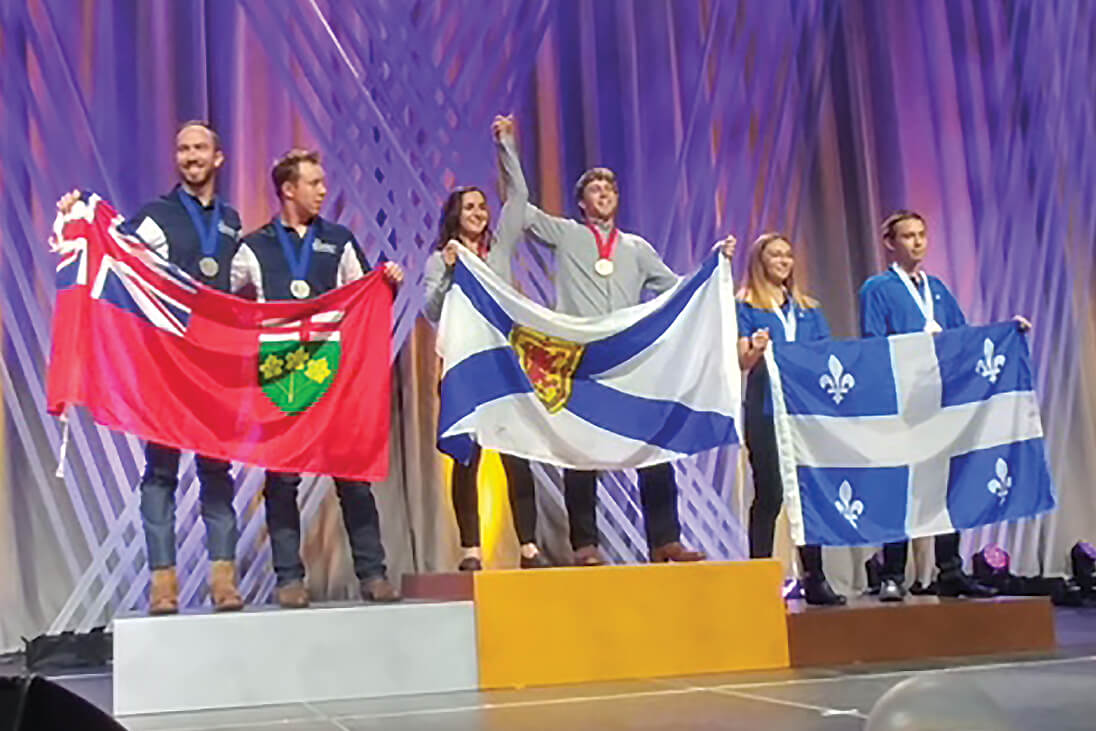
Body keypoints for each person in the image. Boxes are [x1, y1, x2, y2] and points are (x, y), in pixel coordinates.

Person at [495, 115, 736, 565]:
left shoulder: (637, 249)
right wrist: (507, 146)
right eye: (595, 190)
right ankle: (585, 543)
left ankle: (665, 539)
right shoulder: (565, 234)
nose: (604, 195)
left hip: (631, 362)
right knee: (580, 450)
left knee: (654, 445)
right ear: (581, 203)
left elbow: (676, 287)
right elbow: (521, 208)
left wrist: (712, 268)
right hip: (581, 361)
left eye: (610, 190)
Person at [56, 121, 245, 615]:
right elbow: (114, 252)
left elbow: (242, 286)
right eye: (182, 148)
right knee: (160, 473)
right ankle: (164, 585)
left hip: (212, 369)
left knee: (217, 472)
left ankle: (223, 581)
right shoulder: (158, 217)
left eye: (200, 148)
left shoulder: (230, 221)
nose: (190, 156)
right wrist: (77, 218)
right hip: (165, 367)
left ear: (218, 158)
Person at [230, 149, 404, 608]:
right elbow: (219, 299)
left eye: (323, 182)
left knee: (352, 474)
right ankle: (289, 578)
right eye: (315, 183)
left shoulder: (339, 240)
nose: (324, 190)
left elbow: (367, 292)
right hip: (280, 372)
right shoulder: (254, 246)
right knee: (282, 478)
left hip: (331, 371)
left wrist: (390, 282)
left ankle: (373, 573)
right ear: (289, 190)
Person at [859, 210, 1029, 602]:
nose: (917, 242)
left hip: (942, 401)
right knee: (902, 488)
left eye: (921, 235)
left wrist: (1008, 331)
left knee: (948, 485)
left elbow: (964, 339)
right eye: (907, 236)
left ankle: (949, 569)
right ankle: (892, 573)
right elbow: (872, 343)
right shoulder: (878, 288)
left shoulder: (937, 289)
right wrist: (915, 346)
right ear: (890, 243)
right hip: (904, 400)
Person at [422, 175, 550, 571]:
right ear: (455, 216)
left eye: (482, 206)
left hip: (503, 366)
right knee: (466, 459)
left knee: (517, 457)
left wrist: (506, 145)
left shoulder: (498, 252)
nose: (478, 213)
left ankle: (529, 547)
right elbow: (431, 310)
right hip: (463, 369)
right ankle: (471, 551)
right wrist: (446, 272)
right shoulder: (440, 257)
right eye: (470, 207)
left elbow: (521, 197)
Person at [736, 233, 845, 605]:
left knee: (809, 493)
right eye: (775, 255)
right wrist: (756, 349)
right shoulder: (745, 306)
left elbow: (826, 357)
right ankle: (759, 578)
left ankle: (815, 578)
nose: (783, 261)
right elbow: (741, 362)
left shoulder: (809, 309)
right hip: (765, 407)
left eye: (787, 255)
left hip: (805, 411)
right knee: (771, 492)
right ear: (759, 262)